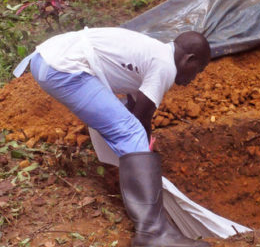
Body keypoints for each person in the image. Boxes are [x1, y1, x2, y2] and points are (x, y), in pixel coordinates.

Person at [13, 28, 211, 246]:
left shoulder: (154, 52)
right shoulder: (165, 65)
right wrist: (147, 156)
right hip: (63, 68)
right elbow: (140, 120)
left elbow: (136, 110)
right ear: (188, 59)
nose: (194, 77)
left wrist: (145, 155)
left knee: (129, 128)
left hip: (49, 60)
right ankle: (153, 233)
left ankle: (151, 224)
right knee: (130, 131)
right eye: (198, 70)